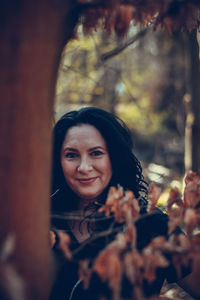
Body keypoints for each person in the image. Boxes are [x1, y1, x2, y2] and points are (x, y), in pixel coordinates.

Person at [50, 107, 200, 300]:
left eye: (96, 153)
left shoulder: (151, 226)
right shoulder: (40, 223)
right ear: (58, 160)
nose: (84, 167)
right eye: (71, 155)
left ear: (115, 157)